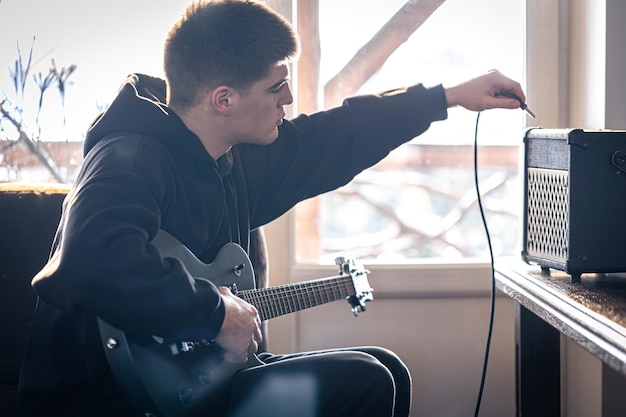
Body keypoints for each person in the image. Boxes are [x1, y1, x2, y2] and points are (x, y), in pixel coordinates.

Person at [17, 1, 527, 416]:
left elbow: (336, 135)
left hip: (187, 386)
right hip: (109, 400)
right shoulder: (129, 156)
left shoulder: (231, 158)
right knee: (366, 381)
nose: (288, 97)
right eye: (276, 86)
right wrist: (214, 312)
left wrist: (448, 97)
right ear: (223, 99)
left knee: (384, 367)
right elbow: (92, 260)